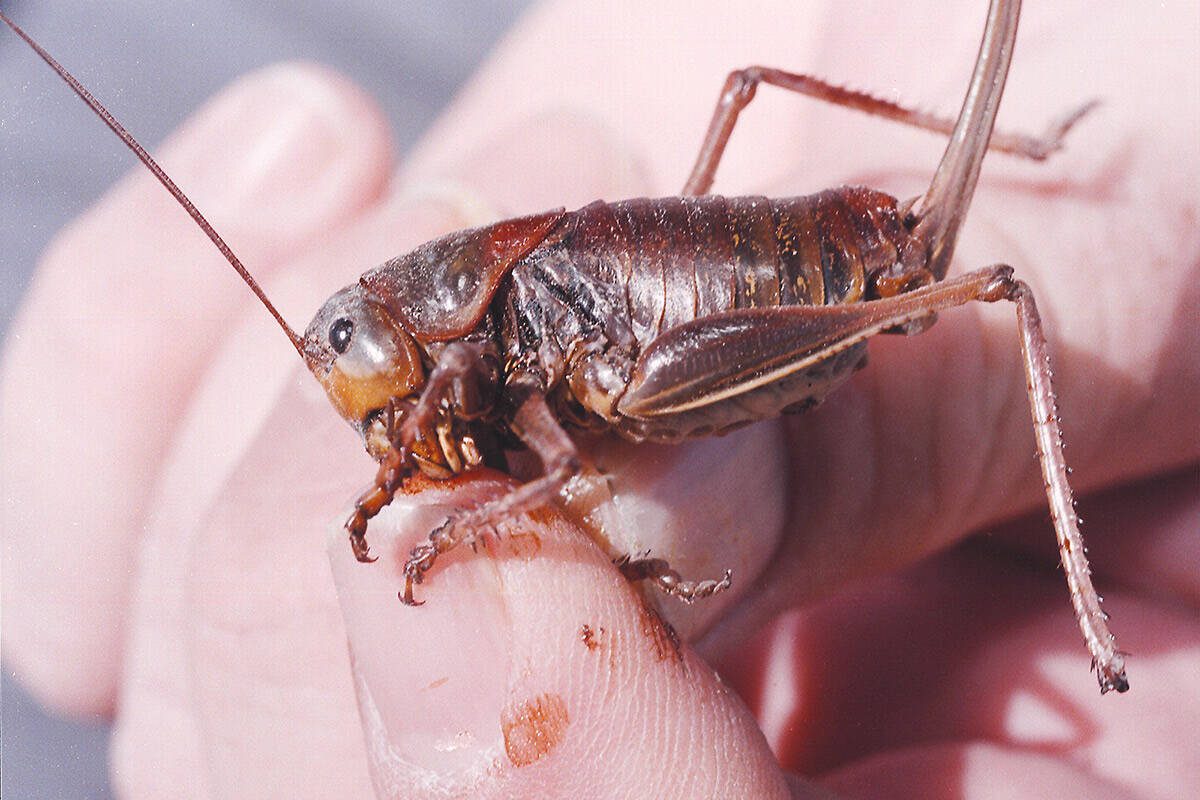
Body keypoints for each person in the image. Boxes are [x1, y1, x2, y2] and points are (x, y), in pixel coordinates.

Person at [3, 1, 1197, 797]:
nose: (370, 400)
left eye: (355, 349)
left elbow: (568, 462)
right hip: (655, 333)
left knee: (988, 284)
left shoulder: (492, 338)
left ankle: (1095, 621)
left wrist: (450, 517)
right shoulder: (470, 345)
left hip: (795, 290)